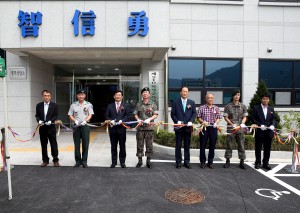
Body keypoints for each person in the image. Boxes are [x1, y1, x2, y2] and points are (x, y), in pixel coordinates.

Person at [171, 87, 196, 169]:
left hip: (187, 127)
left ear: (188, 93)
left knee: (187, 145)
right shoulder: (175, 102)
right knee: (178, 145)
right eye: (183, 91)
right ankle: (178, 162)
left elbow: (194, 113)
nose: (185, 93)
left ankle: (187, 162)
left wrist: (191, 121)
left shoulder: (192, 103)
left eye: (186, 92)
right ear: (180, 92)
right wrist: (176, 121)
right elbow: (173, 114)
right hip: (179, 127)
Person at [68, 89, 94, 168]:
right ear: (77, 96)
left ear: (85, 96)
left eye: (82, 95)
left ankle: (84, 161)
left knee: (85, 144)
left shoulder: (89, 104)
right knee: (76, 144)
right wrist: (75, 120)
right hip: (76, 126)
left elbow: (90, 114)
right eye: (79, 95)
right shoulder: (73, 105)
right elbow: (70, 115)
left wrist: (86, 121)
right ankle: (78, 161)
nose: (81, 96)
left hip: (85, 126)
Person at [223, 89, 248, 170]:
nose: (237, 96)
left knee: (241, 145)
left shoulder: (243, 106)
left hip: (240, 129)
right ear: (233, 96)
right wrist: (231, 124)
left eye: (238, 95)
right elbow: (225, 117)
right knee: (229, 145)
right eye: (235, 95)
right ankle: (227, 161)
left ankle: (242, 162)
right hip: (231, 128)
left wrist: (242, 124)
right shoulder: (228, 106)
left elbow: (245, 117)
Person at [134, 87, 158, 169]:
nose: (145, 94)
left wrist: (150, 119)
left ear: (149, 94)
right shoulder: (138, 104)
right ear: (141, 94)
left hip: (149, 128)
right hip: (140, 128)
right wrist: (137, 119)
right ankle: (140, 161)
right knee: (139, 145)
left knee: (149, 145)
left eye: (146, 92)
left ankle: (148, 161)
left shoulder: (153, 104)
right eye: (143, 92)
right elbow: (135, 113)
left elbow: (155, 114)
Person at [105, 90, 130, 168]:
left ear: (122, 96)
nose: (118, 96)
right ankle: (114, 162)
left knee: (122, 146)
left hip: (122, 129)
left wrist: (122, 121)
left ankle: (122, 162)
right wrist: (111, 121)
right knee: (113, 146)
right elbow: (106, 115)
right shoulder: (110, 105)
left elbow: (128, 116)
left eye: (119, 95)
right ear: (114, 96)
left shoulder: (125, 105)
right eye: (116, 95)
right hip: (112, 129)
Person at [35, 90, 59, 167]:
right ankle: (45, 160)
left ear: (50, 96)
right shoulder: (38, 105)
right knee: (43, 145)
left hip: (51, 128)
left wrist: (51, 121)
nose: (47, 97)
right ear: (42, 96)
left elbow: (55, 115)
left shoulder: (54, 105)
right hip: (42, 128)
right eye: (45, 95)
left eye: (48, 95)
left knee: (53, 144)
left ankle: (55, 160)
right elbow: (37, 115)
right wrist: (39, 121)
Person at [251, 94, 276, 170]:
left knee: (267, 148)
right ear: (261, 99)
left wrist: (273, 125)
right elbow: (253, 118)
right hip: (260, 131)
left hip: (269, 132)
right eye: (264, 99)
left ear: (269, 100)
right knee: (258, 147)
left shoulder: (271, 109)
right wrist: (259, 125)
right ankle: (257, 162)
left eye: (267, 99)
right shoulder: (256, 108)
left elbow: (274, 119)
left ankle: (266, 163)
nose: (265, 100)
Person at [197, 93, 222, 169]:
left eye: (212, 98)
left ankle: (210, 162)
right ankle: (202, 162)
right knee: (202, 145)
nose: (210, 99)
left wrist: (216, 123)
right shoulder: (201, 108)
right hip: (204, 128)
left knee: (212, 145)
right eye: (209, 98)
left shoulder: (216, 108)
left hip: (213, 128)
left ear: (213, 99)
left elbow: (219, 117)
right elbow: (198, 117)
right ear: (206, 99)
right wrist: (202, 121)